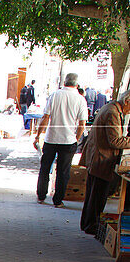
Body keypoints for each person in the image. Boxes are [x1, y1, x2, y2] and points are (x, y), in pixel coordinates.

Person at [79, 91, 130, 235]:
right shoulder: (113, 112)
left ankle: (88, 224)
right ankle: (91, 225)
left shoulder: (112, 108)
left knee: (93, 194)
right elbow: (114, 141)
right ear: (127, 101)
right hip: (101, 159)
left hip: (98, 158)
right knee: (97, 195)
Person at [33, 73, 88, 206]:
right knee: (63, 171)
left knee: (45, 168)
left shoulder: (54, 95)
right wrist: (76, 138)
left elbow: (45, 117)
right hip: (68, 140)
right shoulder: (80, 100)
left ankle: (41, 195)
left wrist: (38, 135)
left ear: (64, 82)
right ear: (77, 84)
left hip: (51, 138)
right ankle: (58, 200)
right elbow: (82, 124)